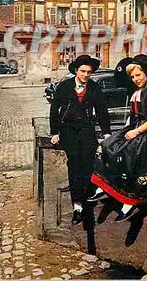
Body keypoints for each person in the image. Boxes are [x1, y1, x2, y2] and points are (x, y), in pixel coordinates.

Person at [88, 54, 147, 222]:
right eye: (132, 76)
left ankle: (131, 200)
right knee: (107, 145)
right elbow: (134, 116)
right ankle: (104, 186)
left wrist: (135, 132)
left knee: (131, 153)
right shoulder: (139, 91)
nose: (135, 79)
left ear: (146, 73)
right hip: (138, 126)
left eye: (138, 75)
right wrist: (125, 130)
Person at [50, 54, 111, 225]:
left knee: (88, 169)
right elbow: (54, 110)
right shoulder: (64, 86)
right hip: (68, 132)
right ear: (76, 71)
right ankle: (77, 208)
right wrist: (54, 133)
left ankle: (87, 203)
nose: (85, 75)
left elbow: (102, 111)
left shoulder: (93, 87)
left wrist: (106, 132)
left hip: (86, 132)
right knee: (74, 169)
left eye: (89, 72)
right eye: (83, 71)